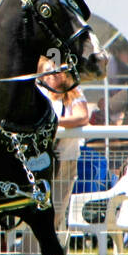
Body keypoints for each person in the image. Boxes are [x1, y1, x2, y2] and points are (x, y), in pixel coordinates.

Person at [39, 57, 89, 241]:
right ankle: (28, 253)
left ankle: (45, 249)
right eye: (49, 71)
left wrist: (51, 123)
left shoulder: (73, 92)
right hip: (38, 160)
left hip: (66, 158)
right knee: (37, 207)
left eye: (58, 70)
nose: (54, 75)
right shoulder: (38, 93)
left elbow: (82, 116)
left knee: (57, 209)